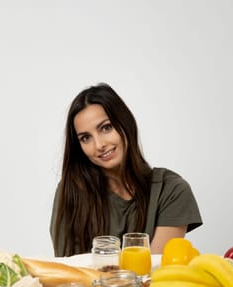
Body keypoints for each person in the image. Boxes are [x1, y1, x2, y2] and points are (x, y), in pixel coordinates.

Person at [50, 83, 202, 257]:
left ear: (125, 122)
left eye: (106, 128)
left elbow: (154, 271)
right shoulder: (71, 191)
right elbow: (70, 273)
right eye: (86, 138)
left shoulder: (170, 190)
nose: (99, 145)